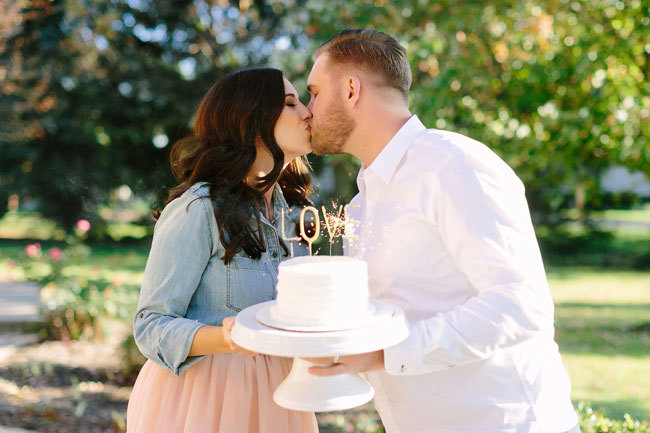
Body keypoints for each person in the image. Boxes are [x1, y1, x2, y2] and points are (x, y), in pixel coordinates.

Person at [305, 29, 580, 433]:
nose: (309, 110)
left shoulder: (453, 165)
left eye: (313, 92)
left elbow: (521, 306)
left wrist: (384, 351)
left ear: (350, 89)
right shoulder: (361, 203)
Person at [126, 68, 318, 433]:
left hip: (281, 398)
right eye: (291, 103)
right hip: (204, 403)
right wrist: (228, 338)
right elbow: (150, 326)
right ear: (250, 120)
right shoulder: (198, 209)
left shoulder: (292, 214)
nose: (307, 112)